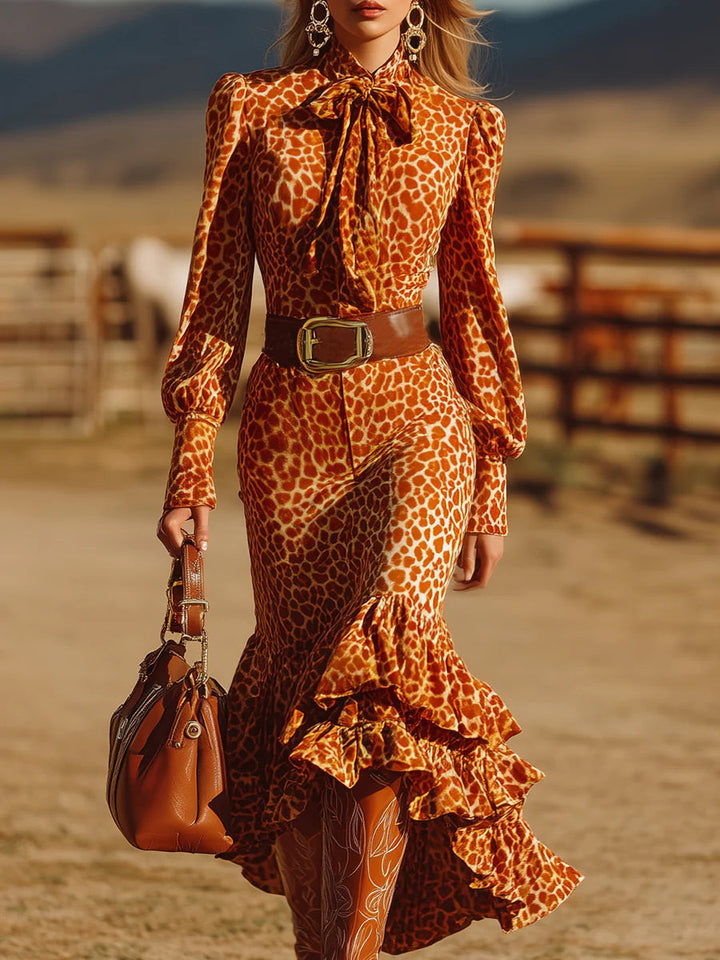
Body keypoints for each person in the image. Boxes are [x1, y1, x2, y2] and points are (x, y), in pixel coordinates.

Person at [156, 0, 583, 956]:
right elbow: (215, 292)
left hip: (417, 424)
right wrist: (191, 467)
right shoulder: (249, 107)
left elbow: (474, 304)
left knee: (385, 674)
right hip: (287, 433)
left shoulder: (464, 123)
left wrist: (492, 482)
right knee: (309, 696)